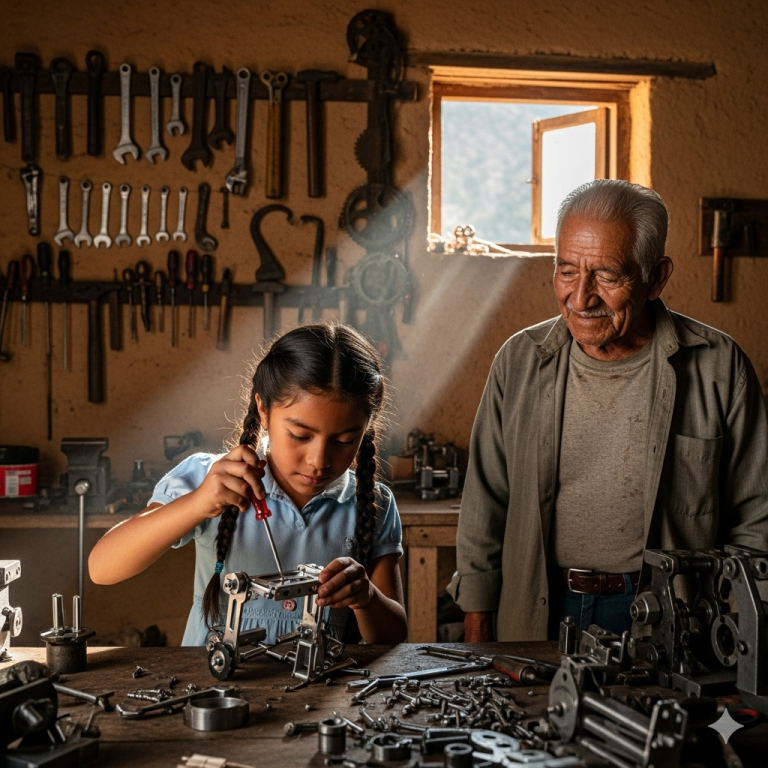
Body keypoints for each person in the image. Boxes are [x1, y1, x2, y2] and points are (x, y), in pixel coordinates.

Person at [448, 179, 768, 643]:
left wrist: (738, 623)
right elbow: (484, 503)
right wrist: (478, 623)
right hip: (537, 608)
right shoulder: (519, 361)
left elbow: (757, 515)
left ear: (656, 277)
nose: (581, 299)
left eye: (607, 276)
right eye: (566, 272)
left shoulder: (719, 367)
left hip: (672, 618)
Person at [89, 323, 408, 646]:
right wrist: (197, 503)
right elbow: (102, 568)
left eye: (343, 440)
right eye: (300, 436)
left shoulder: (372, 503)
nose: (318, 460)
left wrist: (366, 597)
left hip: (319, 691)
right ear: (264, 410)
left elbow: (393, 638)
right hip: (215, 693)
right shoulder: (210, 480)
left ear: (367, 428)